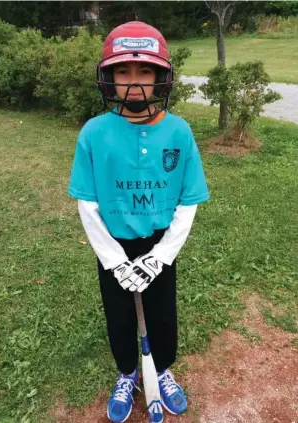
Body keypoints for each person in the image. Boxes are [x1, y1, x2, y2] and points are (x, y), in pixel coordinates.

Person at [68, 21, 210, 423]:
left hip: (160, 245)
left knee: (162, 313)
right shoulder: (94, 133)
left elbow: (187, 203)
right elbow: (88, 205)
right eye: (123, 72)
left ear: (160, 77)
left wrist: (160, 256)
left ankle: (161, 370)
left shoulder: (179, 132)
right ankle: (128, 373)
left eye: (144, 72)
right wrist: (114, 260)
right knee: (119, 315)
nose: (134, 83)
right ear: (109, 77)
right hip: (113, 244)